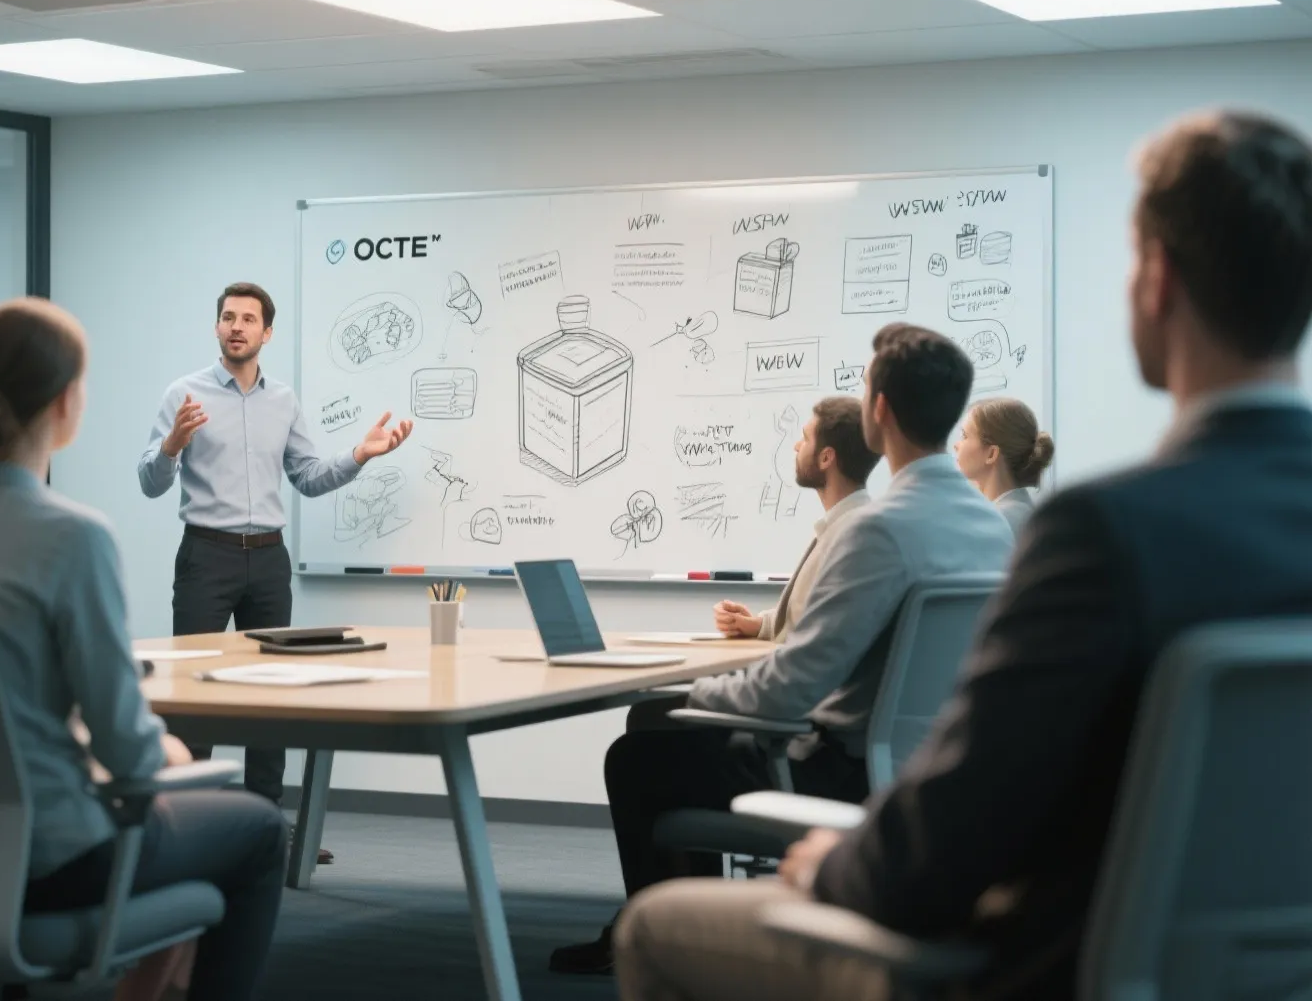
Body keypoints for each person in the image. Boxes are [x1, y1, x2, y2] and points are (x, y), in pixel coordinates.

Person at [612, 111, 1312, 1001]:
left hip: (1041, 959)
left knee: (655, 931)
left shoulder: (1104, 532)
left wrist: (829, 869)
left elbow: (958, 829)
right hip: (1256, 970)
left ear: (1158, 279)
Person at [553, 325, 1012, 977]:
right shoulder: (991, 526)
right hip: (934, 770)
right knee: (668, 747)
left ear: (879, 409)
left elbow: (790, 689)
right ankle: (688, 924)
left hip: (844, 772)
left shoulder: (882, 529)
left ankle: (666, 945)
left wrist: (696, 697)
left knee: (636, 759)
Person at [0, 297, 287, 1001]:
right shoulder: (73, 535)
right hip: (47, 855)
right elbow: (127, 748)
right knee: (255, 827)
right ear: (68, 402)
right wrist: (168, 750)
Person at [138, 282, 413, 859]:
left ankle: (268, 829)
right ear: (217, 328)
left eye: (248, 319)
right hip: (205, 556)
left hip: (268, 559)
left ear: (266, 333)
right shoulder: (182, 394)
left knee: (273, 697)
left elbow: (308, 476)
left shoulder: (283, 401)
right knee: (192, 699)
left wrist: (360, 455)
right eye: (228, 318)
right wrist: (170, 445)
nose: (237, 327)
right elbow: (148, 482)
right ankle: (186, 826)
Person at [710, 395, 881, 647]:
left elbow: (817, 643)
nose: (796, 446)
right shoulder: (842, 526)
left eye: (806, 438)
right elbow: (808, 619)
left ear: (826, 458)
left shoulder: (853, 538)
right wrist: (759, 624)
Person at [953, 397, 1054, 534]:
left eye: (964, 436)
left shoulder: (994, 523)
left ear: (991, 454)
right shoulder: (1023, 513)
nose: (956, 446)